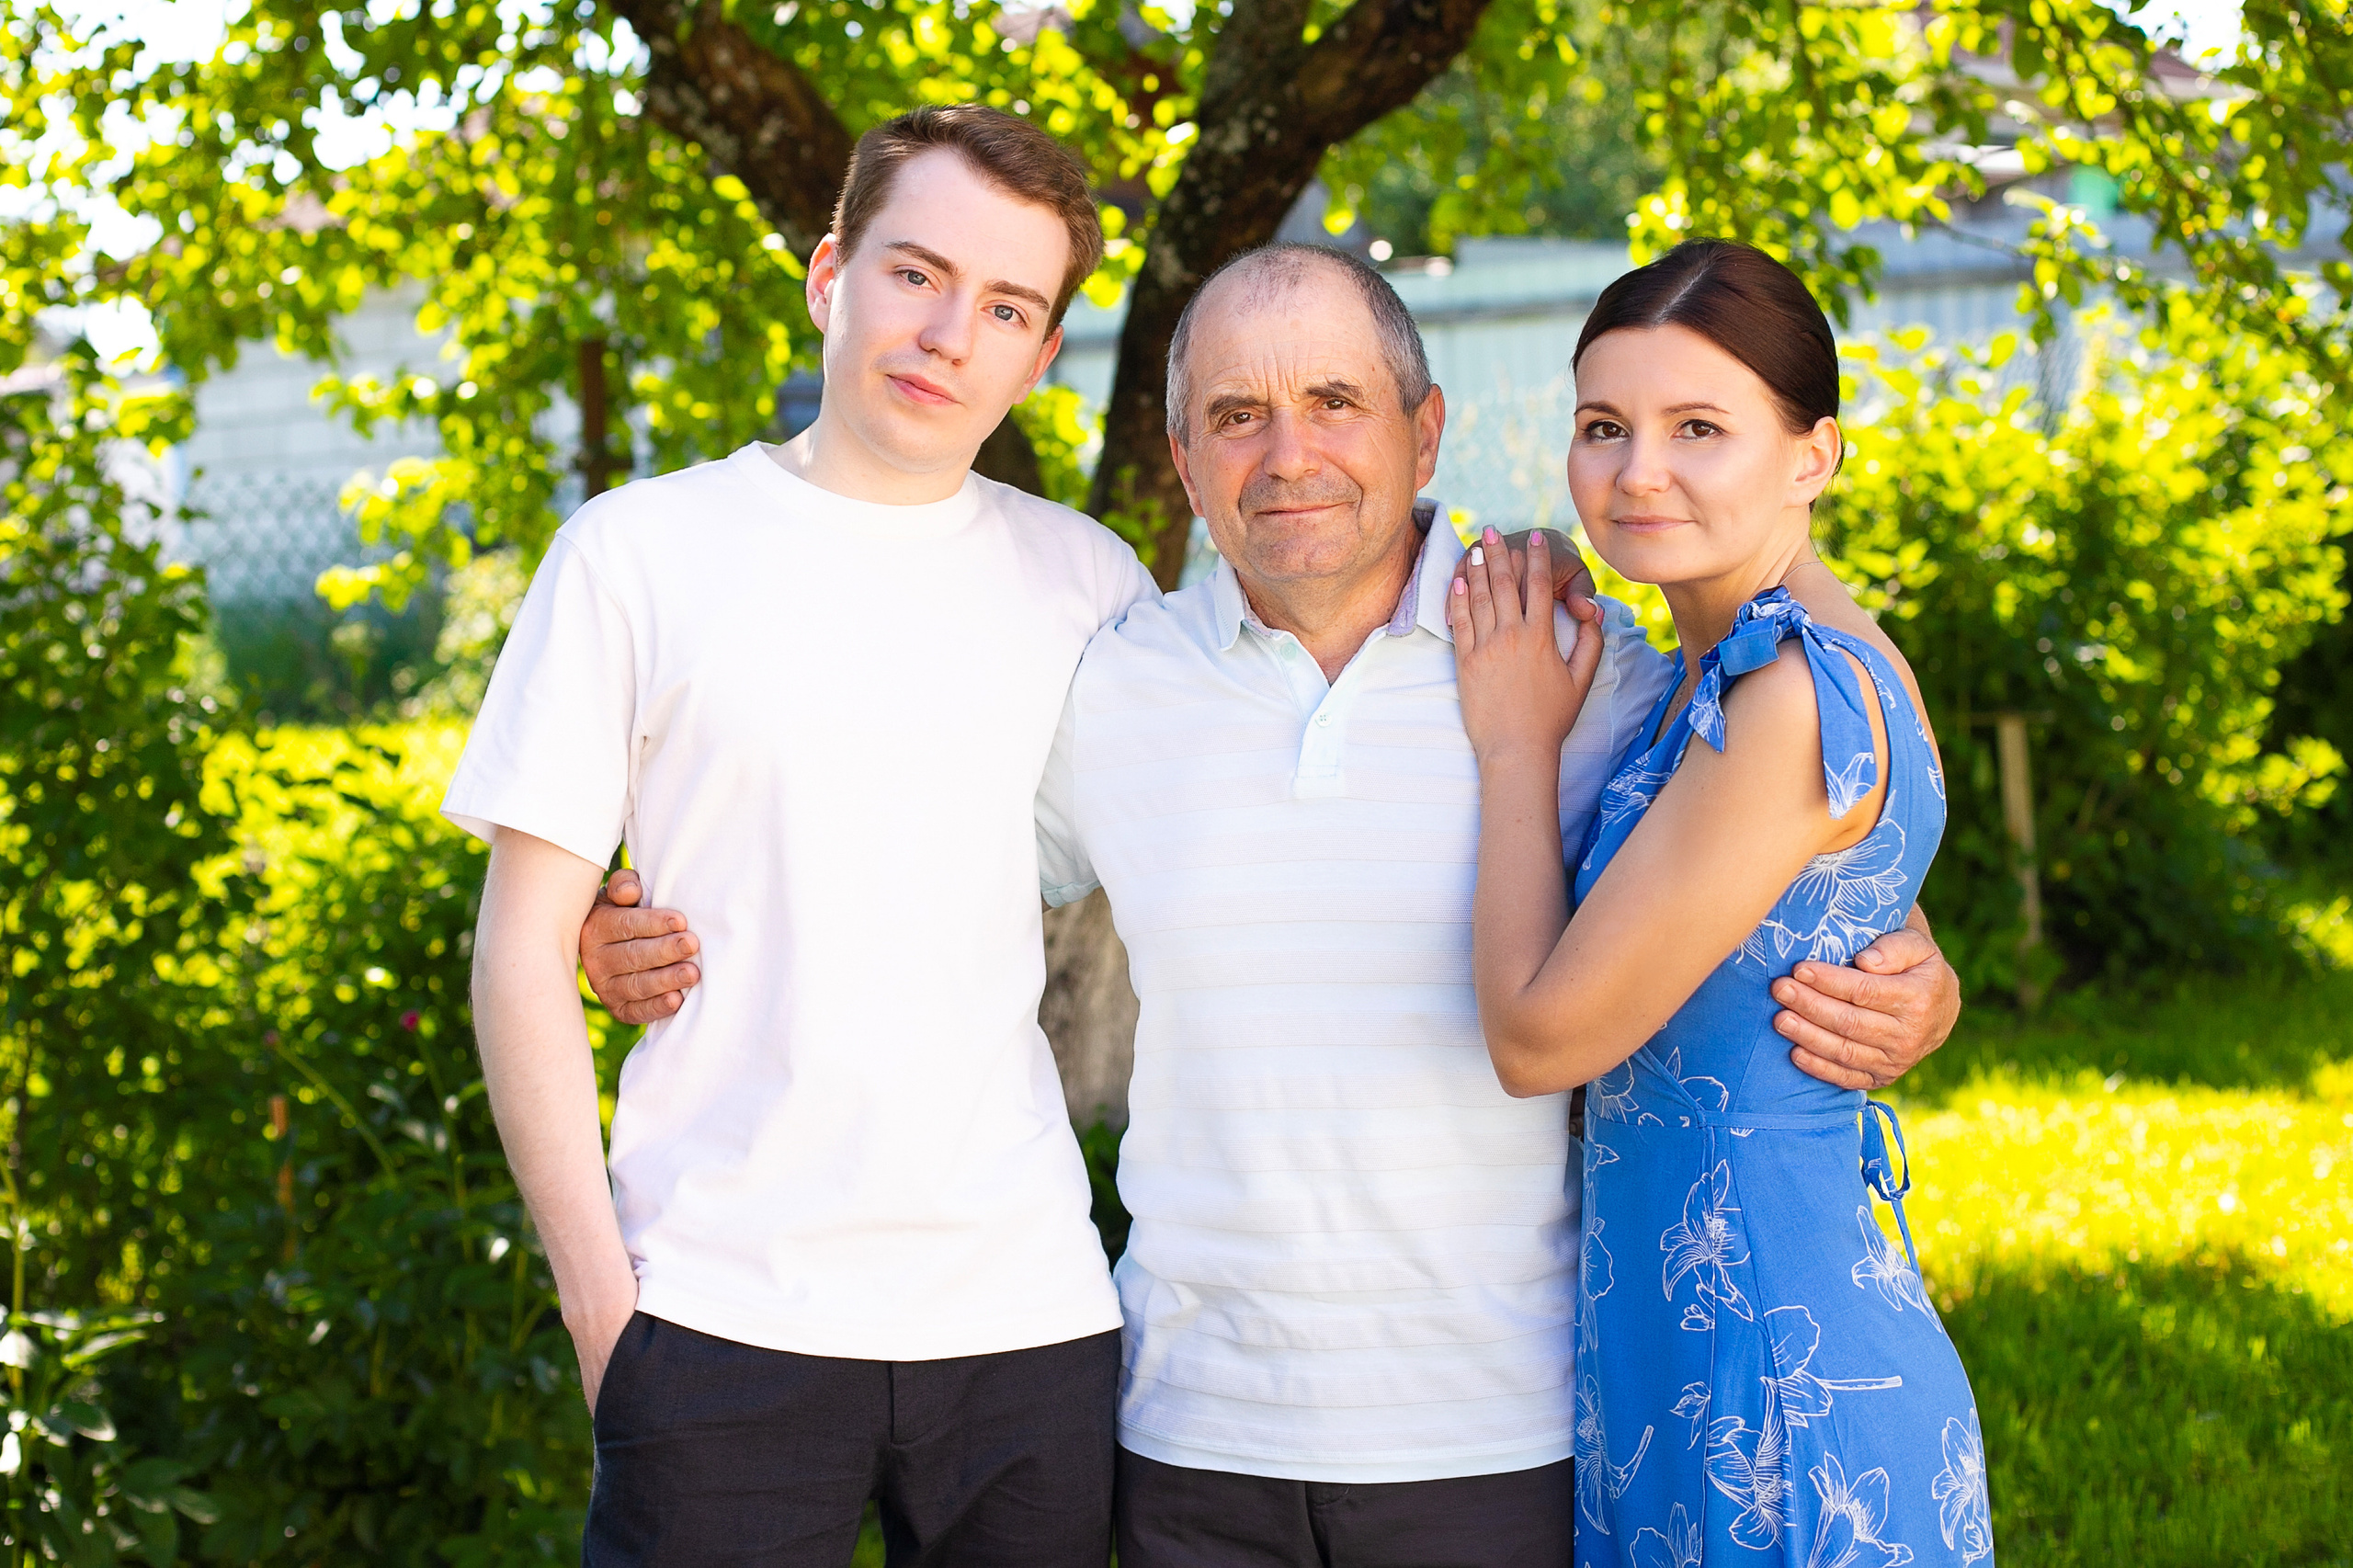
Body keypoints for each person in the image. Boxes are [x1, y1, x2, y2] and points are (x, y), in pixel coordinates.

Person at [582, 241, 1966, 1567]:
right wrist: (625, 910)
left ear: (1426, 436)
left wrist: (1905, 963)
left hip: (1512, 1425)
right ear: (1182, 462)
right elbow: (890, 852)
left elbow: (1784, 850)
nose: (1288, 453)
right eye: (1236, 415)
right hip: (1197, 1432)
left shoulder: (1575, 664)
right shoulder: (1114, 684)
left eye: (1333, 403)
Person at [449, 105, 1157, 1565]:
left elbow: (1222, 861)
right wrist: (603, 1307)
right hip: (717, 1307)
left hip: (1025, 1314)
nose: (950, 332)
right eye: (918, 273)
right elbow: (521, 949)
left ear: (1038, 357)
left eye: (1008, 306)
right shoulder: (638, 554)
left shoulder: (1093, 584)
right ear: (832, 275)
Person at [1449, 238, 1992, 1566]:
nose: (1638, 471)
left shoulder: (1788, 694)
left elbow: (1540, 1037)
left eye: (1701, 426)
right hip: (1695, 1338)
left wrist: (1515, 745)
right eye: (1603, 425)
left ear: (1814, 454)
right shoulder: (1783, 653)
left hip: (1777, 1378)